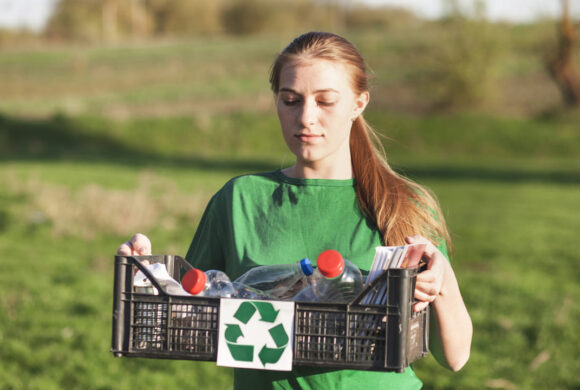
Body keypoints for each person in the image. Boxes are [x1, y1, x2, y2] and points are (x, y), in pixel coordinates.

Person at [118, 31, 472, 389]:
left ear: (359, 103)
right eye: (291, 100)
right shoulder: (239, 199)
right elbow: (186, 325)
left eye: (325, 101)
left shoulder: (403, 204)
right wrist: (145, 276)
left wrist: (442, 284)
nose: (306, 117)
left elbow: (455, 356)